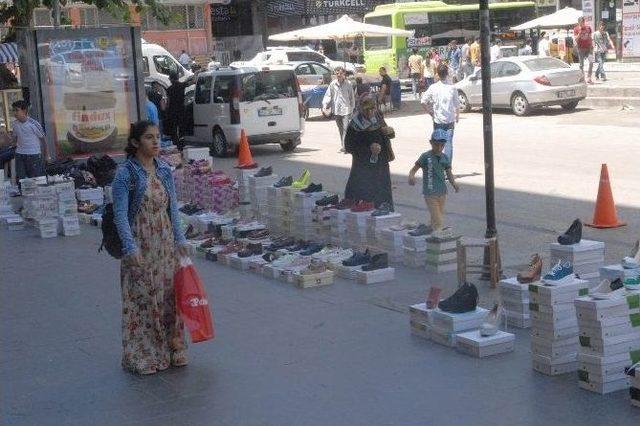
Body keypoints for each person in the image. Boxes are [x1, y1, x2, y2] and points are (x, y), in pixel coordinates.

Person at [112, 120, 190, 375]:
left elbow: (172, 208)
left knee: (169, 297)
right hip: (140, 245)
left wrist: (180, 240)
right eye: (148, 137)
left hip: (164, 244)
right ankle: (144, 353)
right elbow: (120, 215)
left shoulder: (165, 170)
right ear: (135, 143)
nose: (156, 142)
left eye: (157, 137)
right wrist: (129, 247)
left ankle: (173, 346)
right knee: (144, 300)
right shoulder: (126, 174)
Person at [408, 128, 459, 239]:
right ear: (431, 143)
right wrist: (411, 177)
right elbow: (413, 169)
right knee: (438, 219)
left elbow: (449, 173)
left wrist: (454, 184)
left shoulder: (445, 158)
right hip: (430, 192)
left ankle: (429, 229)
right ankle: (438, 236)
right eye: (436, 145)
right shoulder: (425, 156)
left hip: (442, 192)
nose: (439, 148)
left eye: (442, 145)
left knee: (438, 215)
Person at [344, 96, 394, 209]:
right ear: (361, 108)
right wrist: (368, 149)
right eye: (366, 109)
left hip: (381, 164)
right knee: (365, 194)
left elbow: (386, 134)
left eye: (372, 109)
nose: (370, 112)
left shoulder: (377, 118)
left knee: (382, 193)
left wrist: (390, 132)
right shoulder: (355, 124)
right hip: (363, 166)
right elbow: (349, 146)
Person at [420, 64, 459, 163]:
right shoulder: (452, 88)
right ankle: (447, 168)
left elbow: (423, 101)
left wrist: (431, 113)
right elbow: (457, 104)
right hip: (450, 120)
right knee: (448, 144)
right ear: (447, 74)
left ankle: (439, 165)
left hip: (438, 121)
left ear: (437, 74)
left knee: (438, 144)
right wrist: (457, 116)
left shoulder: (433, 87)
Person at [10, 100, 47, 180]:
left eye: (17, 110)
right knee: (22, 180)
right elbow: (15, 138)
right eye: (13, 110)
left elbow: (43, 139)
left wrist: (47, 155)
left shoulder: (34, 124)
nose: (14, 113)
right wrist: (12, 143)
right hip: (20, 154)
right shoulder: (15, 124)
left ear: (24, 110)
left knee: (37, 179)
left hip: (33, 155)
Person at [322, 66, 355, 153]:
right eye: (337, 73)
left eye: (341, 73)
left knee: (345, 128)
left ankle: (345, 147)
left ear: (344, 74)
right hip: (336, 110)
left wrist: (352, 109)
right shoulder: (333, 84)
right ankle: (343, 145)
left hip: (346, 110)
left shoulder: (348, 84)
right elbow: (328, 95)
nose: (339, 75)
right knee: (340, 129)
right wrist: (325, 105)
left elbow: (352, 98)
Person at [165, 72, 186, 148]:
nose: (170, 80)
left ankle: (175, 143)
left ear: (172, 79)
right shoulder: (182, 86)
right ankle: (182, 142)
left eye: (170, 79)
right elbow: (192, 81)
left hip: (173, 111)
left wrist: (166, 110)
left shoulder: (169, 89)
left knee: (174, 128)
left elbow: (168, 101)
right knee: (181, 127)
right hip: (181, 110)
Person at [574, 16, 594, 84]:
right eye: (580, 23)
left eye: (582, 22)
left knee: (591, 62)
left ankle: (589, 77)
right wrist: (579, 34)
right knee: (581, 65)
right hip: (580, 48)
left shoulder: (588, 28)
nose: (581, 24)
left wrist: (592, 45)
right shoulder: (576, 29)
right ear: (578, 22)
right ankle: (582, 78)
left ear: (584, 22)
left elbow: (590, 37)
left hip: (589, 48)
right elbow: (576, 39)